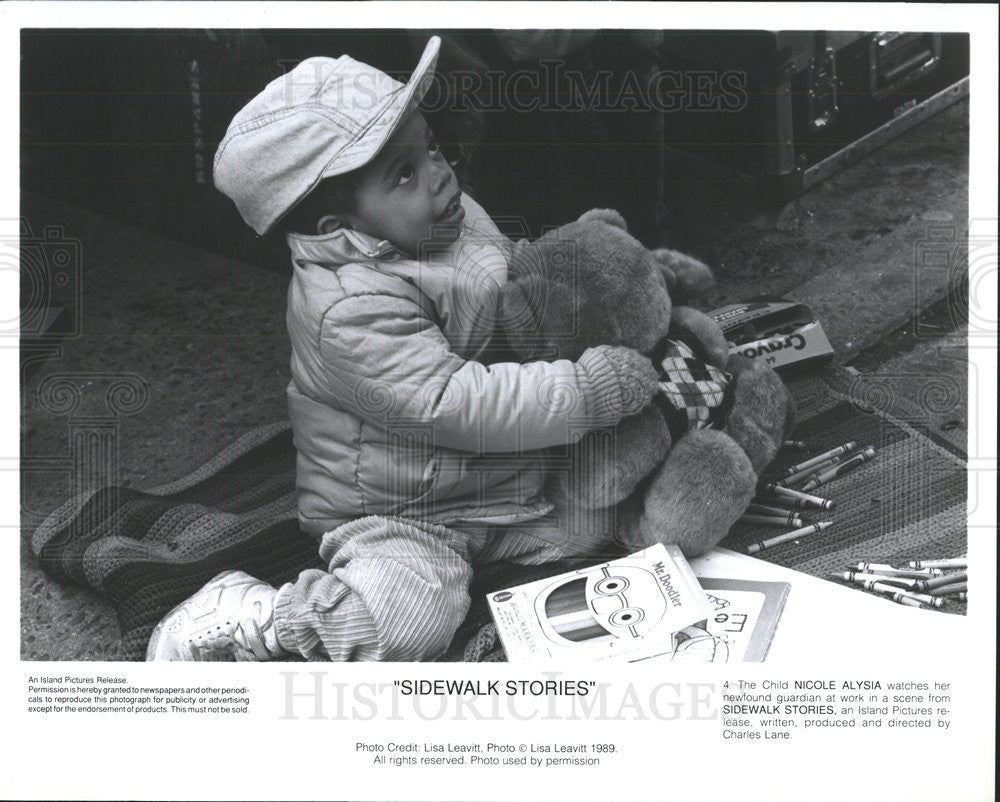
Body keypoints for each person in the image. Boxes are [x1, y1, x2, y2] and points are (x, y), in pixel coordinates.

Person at [145, 36, 661, 662]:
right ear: (343, 232)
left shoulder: (444, 213)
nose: (441, 171)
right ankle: (269, 619)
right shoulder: (347, 309)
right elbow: (451, 403)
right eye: (405, 173)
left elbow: (504, 293)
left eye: (432, 147)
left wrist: (571, 289)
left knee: (610, 530)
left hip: (506, 480)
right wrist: (585, 389)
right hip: (410, 511)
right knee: (408, 622)